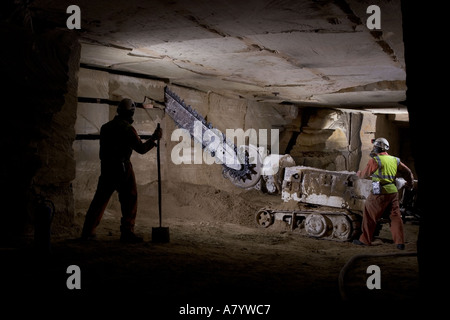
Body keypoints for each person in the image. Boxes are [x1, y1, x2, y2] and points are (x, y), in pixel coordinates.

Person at [81, 98, 162, 243]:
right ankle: (127, 232)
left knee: (99, 201)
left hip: (106, 168)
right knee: (129, 200)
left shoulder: (106, 127)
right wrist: (154, 138)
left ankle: (87, 232)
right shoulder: (127, 129)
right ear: (131, 113)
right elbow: (141, 149)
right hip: (122, 168)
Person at [353, 137, 414, 250]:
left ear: (377, 148)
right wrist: (410, 185)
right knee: (395, 217)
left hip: (379, 192)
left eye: (375, 146)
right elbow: (408, 172)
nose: (374, 148)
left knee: (370, 215)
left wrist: (358, 173)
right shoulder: (395, 160)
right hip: (393, 192)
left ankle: (365, 240)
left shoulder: (375, 160)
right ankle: (399, 242)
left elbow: (364, 175)